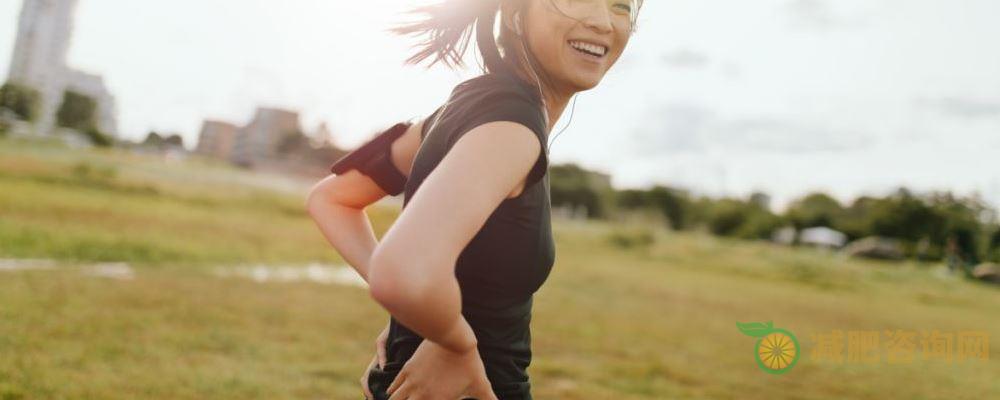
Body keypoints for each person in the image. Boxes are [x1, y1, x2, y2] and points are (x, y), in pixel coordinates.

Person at [306, 0, 642, 398]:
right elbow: (400, 269)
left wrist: (422, 317)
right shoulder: (511, 128)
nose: (602, 21)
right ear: (517, 16)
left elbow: (331, 198)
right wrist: (454, 344)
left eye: (620, 5)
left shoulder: (467, 106)